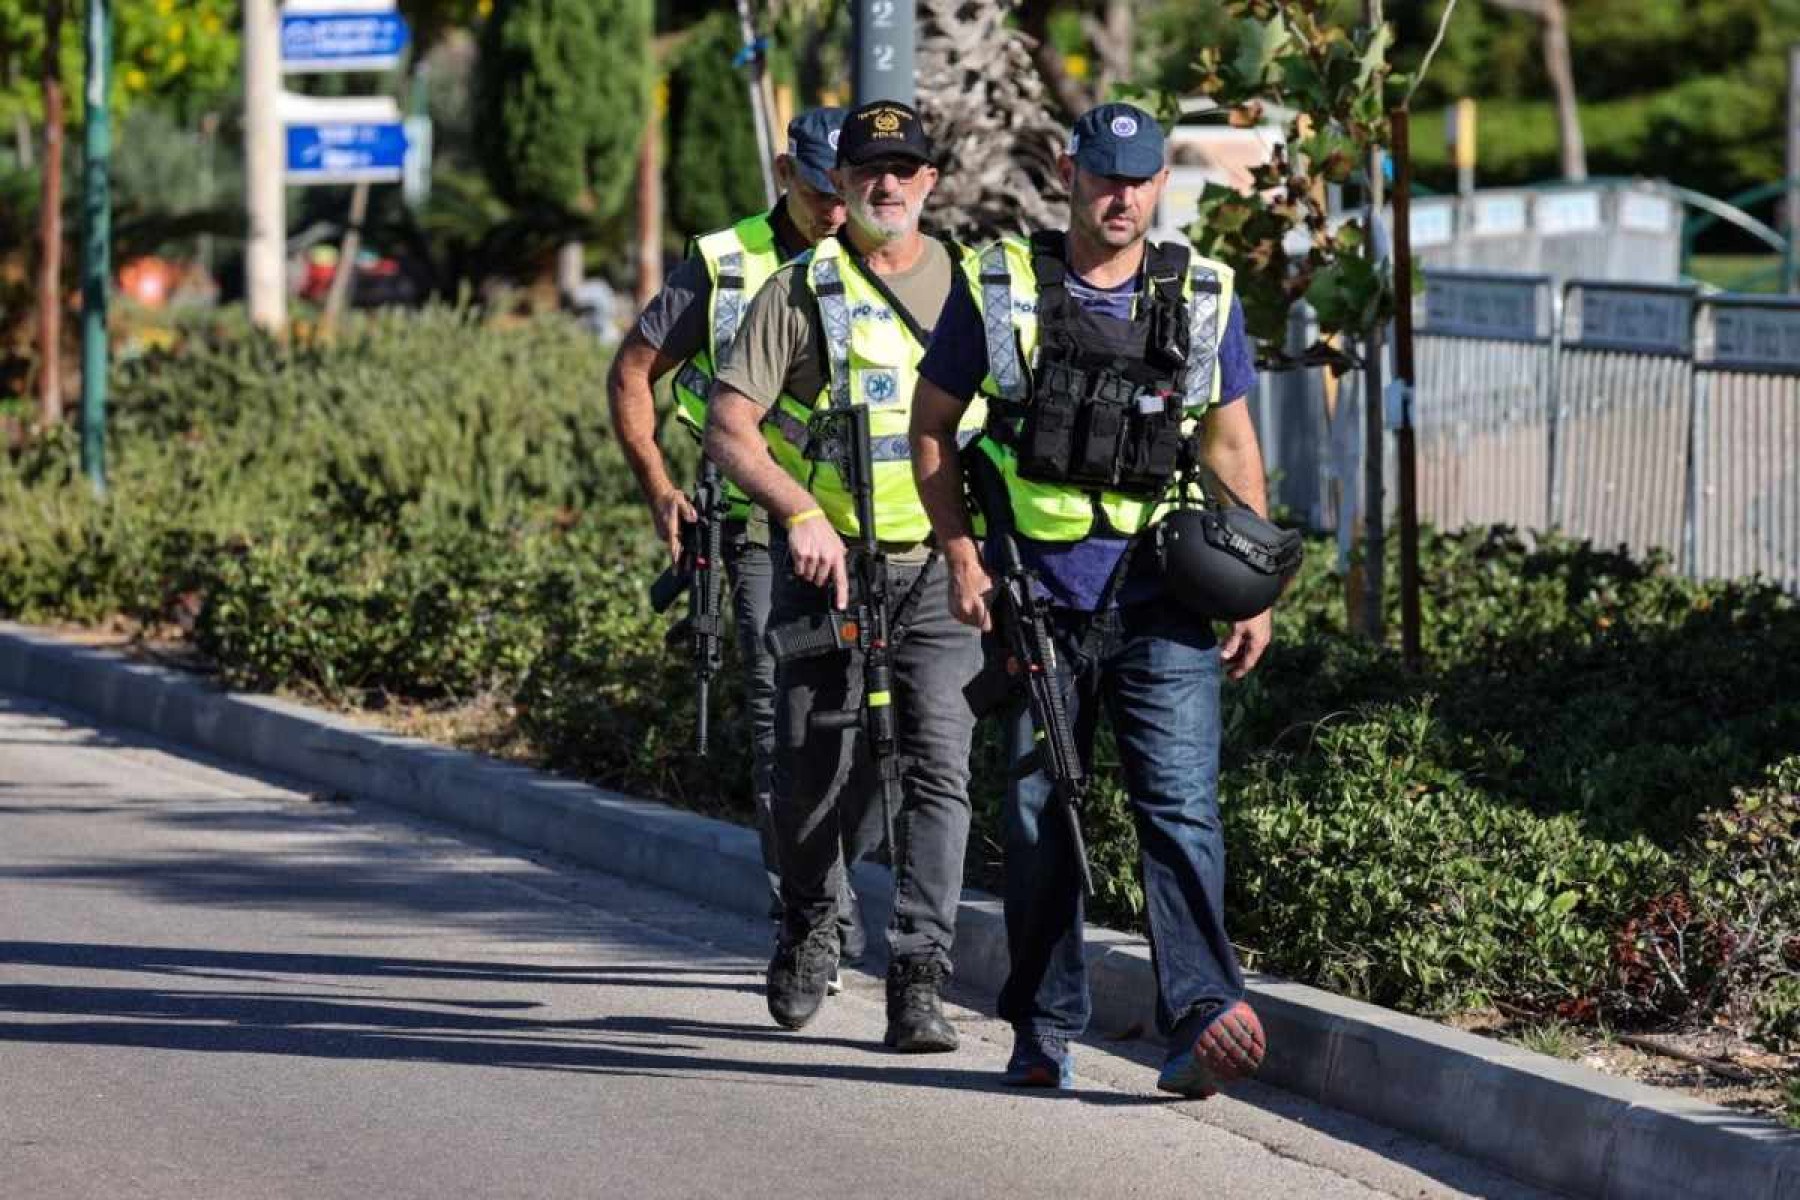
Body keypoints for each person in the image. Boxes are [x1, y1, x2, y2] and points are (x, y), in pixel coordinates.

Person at [909, 102, 1274, 1093]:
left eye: (1140, 179)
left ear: (1162, 183)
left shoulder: (1201, 295)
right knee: (1038, 822)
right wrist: (961, 555)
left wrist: (1255, 584)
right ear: (1069, 174)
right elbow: (932, 426)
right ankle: (1041, 1030)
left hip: (1163, 595)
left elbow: (1231, 440)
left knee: (1183, 812)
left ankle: (1202, 1014)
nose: (1122, 196)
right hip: (1038, 601)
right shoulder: (1006, 287)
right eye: (1105, 176)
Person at [704, 99, 988, 1050]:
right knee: (810, 771)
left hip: (937, 571)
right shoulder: (799, 290)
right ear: (843, 183)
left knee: (937, 769)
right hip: (825, 573)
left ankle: (918, 976)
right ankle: (810, 922)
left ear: (930, 183)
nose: (888, 184)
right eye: (871, 170)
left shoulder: (973, 288)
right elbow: (729, 430)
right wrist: (800, 510)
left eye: (905, 169)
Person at [607, 108, 872, 975]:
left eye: (848, 191)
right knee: (779, 726)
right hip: (756, 528)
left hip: (871, 530)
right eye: (820, 189)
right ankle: (813, 913)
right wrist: (658, 488)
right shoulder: (725, 263)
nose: (837, 208)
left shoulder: (886, 258)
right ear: (786, 172)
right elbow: (633, 372)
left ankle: (827, 880)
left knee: (886, 732)